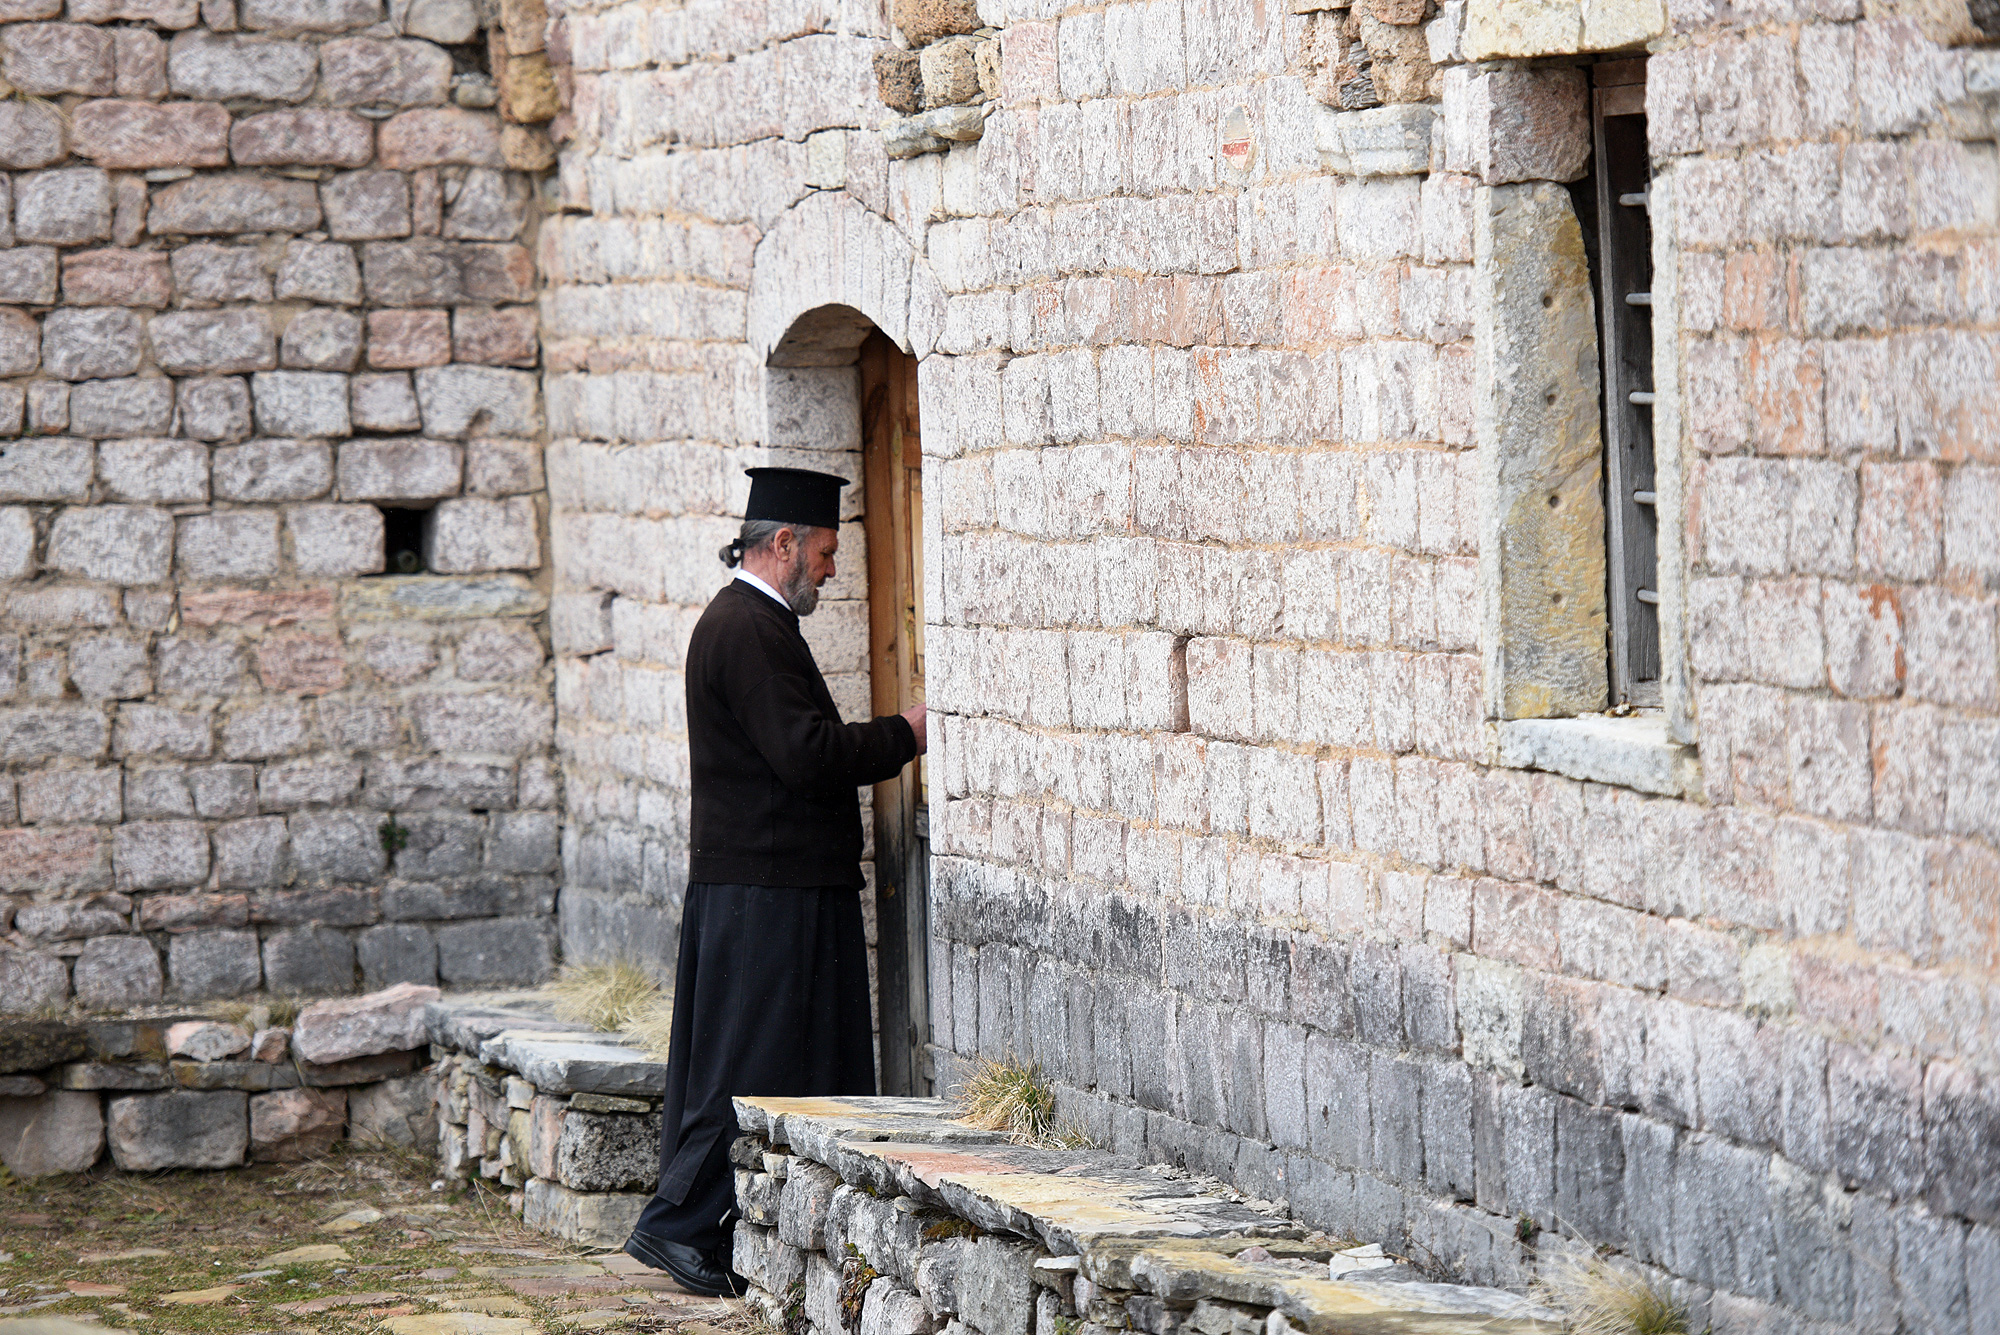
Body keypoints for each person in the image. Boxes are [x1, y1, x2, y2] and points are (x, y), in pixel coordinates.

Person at [622, 466, 926, 1297]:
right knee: (744, 1064)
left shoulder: (748, 624)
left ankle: (724, 1232)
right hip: (766, 892)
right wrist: (907, 731)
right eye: (825, 551)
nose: (832, 569)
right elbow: (806, 756)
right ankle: (679, 1225)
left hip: (778, 885)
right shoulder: (748, 629)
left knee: (779, 1063)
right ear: (783, 542)